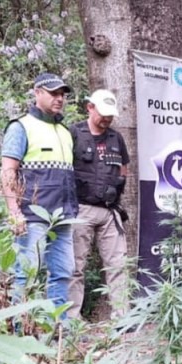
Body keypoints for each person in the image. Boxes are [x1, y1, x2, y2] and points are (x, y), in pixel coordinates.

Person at [0, 72, 78, 321]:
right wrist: (14, 212)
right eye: (53, 93)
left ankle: (58, 330)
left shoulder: (65, 132)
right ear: (37, 93)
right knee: (25, 272)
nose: (59, 99)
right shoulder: (20, 127)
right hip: (32, 214)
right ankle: (19, 330)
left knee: (63, 272)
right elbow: (8, 171)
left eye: (62, 94)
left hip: (62, 215)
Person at [68, 89, 131, 319]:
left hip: (109, 211)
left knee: (118, 265)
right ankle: (72, 319)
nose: (106, 119)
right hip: (80, 209)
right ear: (90, 107)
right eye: (102, 113)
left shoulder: (116, 138)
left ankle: (122, 316)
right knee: (75, 266)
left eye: (110, 115)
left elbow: (124, 167)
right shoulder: (73, 133)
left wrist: (118, 188)